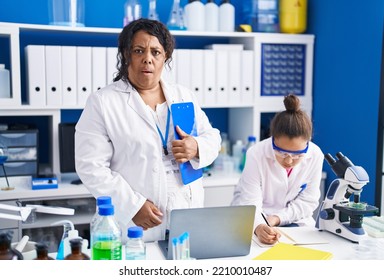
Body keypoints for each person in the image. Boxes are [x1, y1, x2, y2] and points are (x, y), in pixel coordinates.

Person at [75, 18, 221, 242]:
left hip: (186, 211)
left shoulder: (183, 96)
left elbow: (212, 137)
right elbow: (90, 167)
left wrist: (197, 146)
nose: (148, 59)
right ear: (126, 54)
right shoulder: (103, 102)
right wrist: (132, 206)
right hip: (138, 222)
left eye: (156, 52)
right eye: (139, 50)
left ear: (166, 57)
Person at [231, 94, 324, 245]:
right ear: (273, 138)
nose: (288, 161)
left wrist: (276, 218)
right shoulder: (256, 154)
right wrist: (259, 226)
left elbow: (308, 201)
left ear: (308, 143)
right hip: (256, 220)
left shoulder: (315, 155)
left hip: (295, 221)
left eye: (297, 155)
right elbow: (250, 201)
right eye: (281, 153)